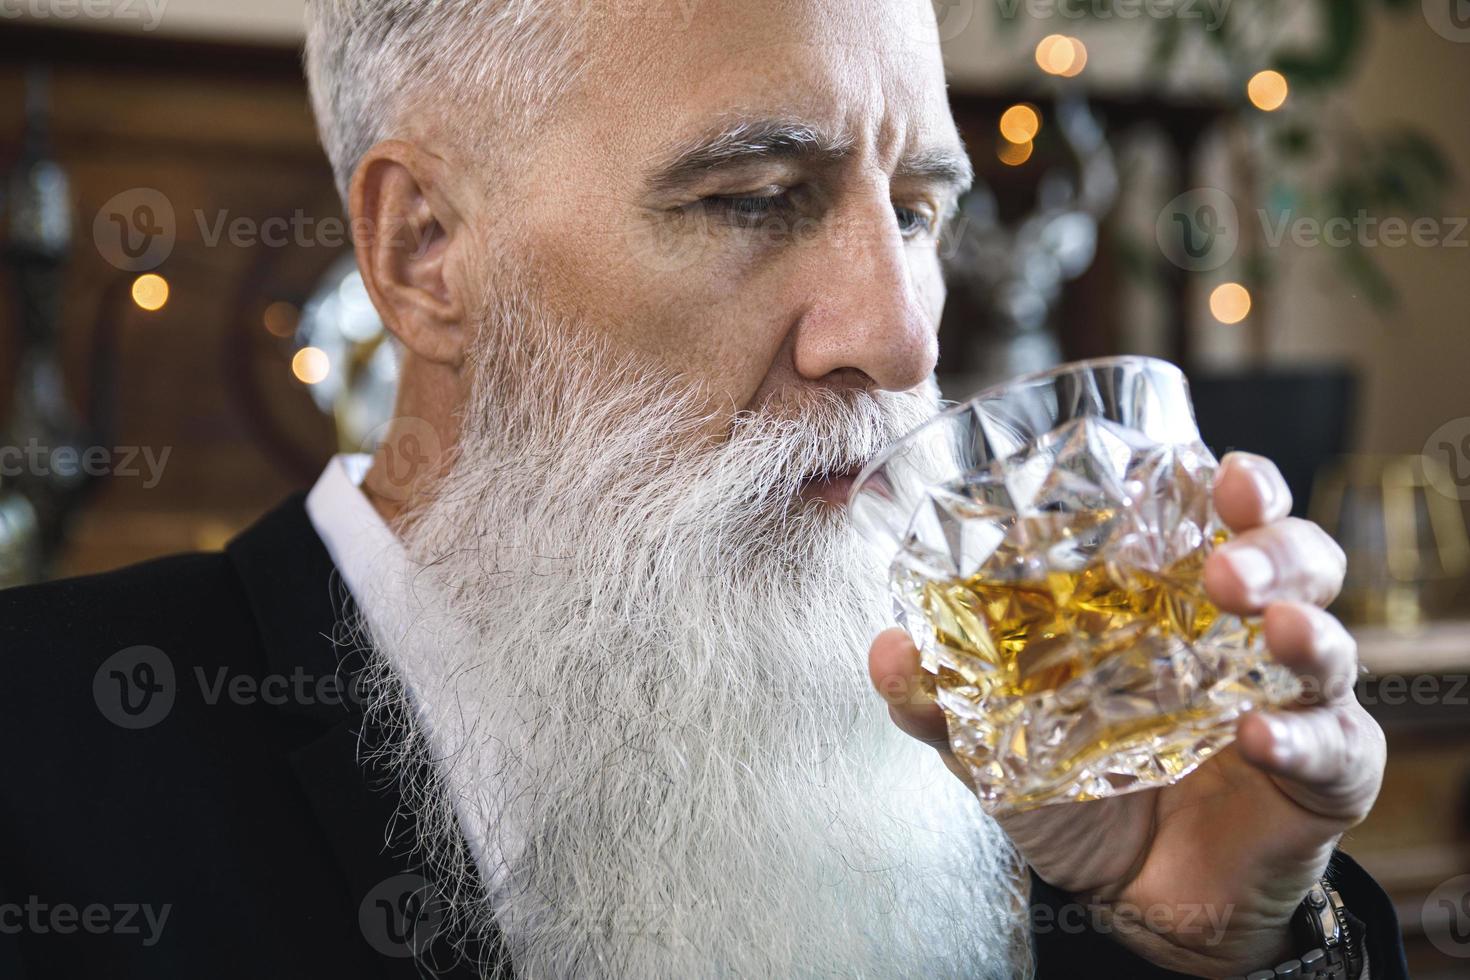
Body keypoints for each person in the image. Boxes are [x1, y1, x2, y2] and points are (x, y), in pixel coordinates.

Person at [0, 1, 1404, 977]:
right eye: (752, 197)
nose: (904, 335)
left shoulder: (1051, 755)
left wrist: (1212, 941)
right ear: (424, 250)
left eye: (915, 212)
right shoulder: (44, 767)